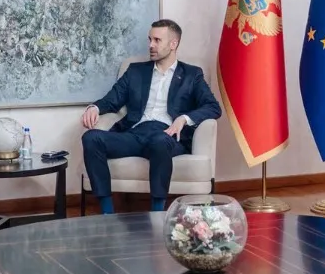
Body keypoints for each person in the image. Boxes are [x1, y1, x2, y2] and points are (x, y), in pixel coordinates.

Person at [81, 19, 221, 213]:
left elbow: (213, 107)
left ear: (173, 44)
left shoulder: (192, 74)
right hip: (135, 134)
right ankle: (107, 212)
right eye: (150, 39)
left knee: (159, 141)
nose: (151, 45)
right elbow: (112, 99)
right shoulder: (136, 71)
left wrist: (184, 118)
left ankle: (157, 212)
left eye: (157, 40)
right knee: (91, 138)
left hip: (167, 135)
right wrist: (95, 107)